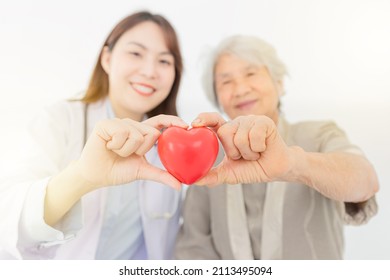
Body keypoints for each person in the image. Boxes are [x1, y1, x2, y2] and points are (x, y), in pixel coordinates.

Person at [0, 11, 189, 260]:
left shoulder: (174, 144)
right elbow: (10, 217)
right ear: (107, 58)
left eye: (164, 61)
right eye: (135, 53)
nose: (149, 71)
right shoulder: (59, 120)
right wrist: (82, 177)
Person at [174, 35, 379, 259]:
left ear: (279, 83)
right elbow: (192, 247)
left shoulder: (319, 134)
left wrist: (293, 164)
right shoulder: (209, 159)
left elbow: (365, 180)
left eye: (251, 73)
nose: (241, 89)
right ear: (217, 99)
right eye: (226, 82)